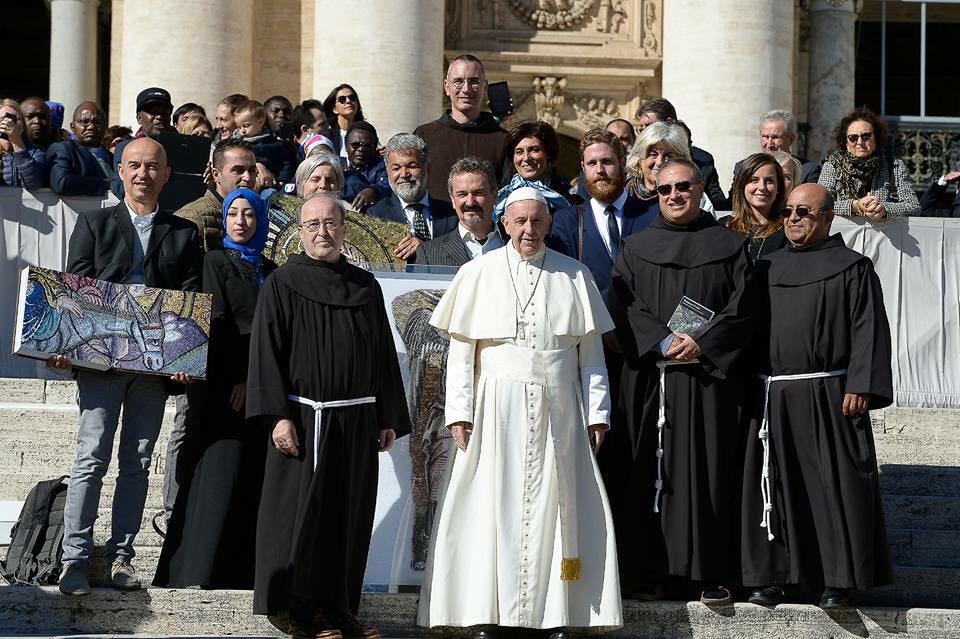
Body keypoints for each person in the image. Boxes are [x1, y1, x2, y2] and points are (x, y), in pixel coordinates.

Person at [418, 187, 622, 638]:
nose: (528, 230)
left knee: (558, 508)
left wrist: (598, 413)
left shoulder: (575, 276)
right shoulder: (477, 273)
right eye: (519, 221)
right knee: (491, 505)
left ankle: (558, 612)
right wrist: (460, 411)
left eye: (536, 221)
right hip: (495, 407)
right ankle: (488, 612)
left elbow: (591, 357)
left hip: (560, 406)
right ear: (504, 224)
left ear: (549, 223)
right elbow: (461, 353)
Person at [246, 192, 410, 639]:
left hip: (357, 420)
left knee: (349, 517)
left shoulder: (365, 285)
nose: (323, 231)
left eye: (331, 223)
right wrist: (277, 417)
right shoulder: (282, 282)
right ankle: (302, 612)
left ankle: (341, 607)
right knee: (306, 521)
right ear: (301, 232)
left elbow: (381, 354)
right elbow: (267, 353)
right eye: (313, 223)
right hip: (306, 419)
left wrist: (387, 414)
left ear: (344, 228)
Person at [50, 137, 203, 596]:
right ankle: (73, 561)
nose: (143, 174)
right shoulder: (93, 223)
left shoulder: (183, 233)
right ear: (119, 171)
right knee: (90, 459)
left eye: (152, 166)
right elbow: (73, 289)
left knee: (136, 464)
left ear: (167, 174)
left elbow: (191, 302)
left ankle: (121, 556)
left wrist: (184, 360)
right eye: (134, 165)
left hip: (152, 373)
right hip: (99, 366)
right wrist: (65, 347)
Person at [607, 158, 757, 605]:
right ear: (655, 193)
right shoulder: (635, 247)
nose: (674, 195)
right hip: (651, 383)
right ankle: (648, 572)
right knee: (648, 475)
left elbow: (745, 306)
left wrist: (704, 342)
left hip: (711, 385)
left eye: (683, 186)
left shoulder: (730, 246)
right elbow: (622, 306)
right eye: (665, 188)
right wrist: (663, 340)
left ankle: (710, 573)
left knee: (712, 473)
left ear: (700, 187)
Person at [741, 183, 893, 609]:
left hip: (830, 394)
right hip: (773, 396)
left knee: (833, 490)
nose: (792, 219)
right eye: (788, 211)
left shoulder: (852, 267)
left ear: (827, 217)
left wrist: (861, 383)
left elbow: (868, 328)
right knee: (774, 487)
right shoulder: (765, 268)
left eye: (804, 212)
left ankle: (836, 582)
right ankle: (775, 578)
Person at [153, 187, 276, 589]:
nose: (241, 222)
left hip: (261, 390)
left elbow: (276, 332)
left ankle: (240, 573)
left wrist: (259, 381)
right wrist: (240, 377)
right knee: (218, 474)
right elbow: (217, 322)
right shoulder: (215, 261)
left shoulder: (273, 270)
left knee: (250, 479)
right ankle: (196, 571)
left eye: (249, 215)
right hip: (225, 389)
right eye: (233, 214)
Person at [552, 127, 659, 300]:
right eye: (592, 163)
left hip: (646, 323)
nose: (599, 170)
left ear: (622, 163)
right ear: (583, 167)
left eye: (607, 161)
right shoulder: (566, 222)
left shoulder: (653, 214)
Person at [414, 54, 508, 203]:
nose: (466, 89)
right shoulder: (424, 135)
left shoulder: (502, 139)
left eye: (474, 82)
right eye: (458, 81)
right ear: (446, 87)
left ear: (485, 87)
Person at [367, 133, 457, 261]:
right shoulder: (376, 215)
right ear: (388, 172)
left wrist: (427, 249)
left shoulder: (451, 214)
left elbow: (459, 258)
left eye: (412, 166)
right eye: (396, 168)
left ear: (428, 168)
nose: (404, 174)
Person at [818, 106, 920, 218]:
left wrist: (884, 209)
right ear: (846, 143)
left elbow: (914, 206)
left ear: (876, 140)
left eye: (866, 136)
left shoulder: (895, 166)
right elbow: (821, 205)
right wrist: (855, 206)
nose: (860, 142)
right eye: (853, 138)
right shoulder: (832, 165)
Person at [417, 157, 505, 269]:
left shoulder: (514, 243)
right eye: (462, 194)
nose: (470, 202)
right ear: (453, 200)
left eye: (478, 193)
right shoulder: (429, 254)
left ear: (494, 196)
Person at [175, 139, 259, 253]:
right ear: (216, 175)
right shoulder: (192, 218)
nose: (248, 177)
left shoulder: (258, 215)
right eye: (238, 170)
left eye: (252, 170)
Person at [493, 120, 574, 219]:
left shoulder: (568, 198)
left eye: (534, 150)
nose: (526, 158)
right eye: (519, 152)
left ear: (548, 153)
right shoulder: (500, 198)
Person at [720, 153, 787, 262]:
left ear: (778, 188)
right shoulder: (724, 227)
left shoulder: (787, 230)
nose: (761, 187)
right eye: (753, 180)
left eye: (769, 181)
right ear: (742, 186)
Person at [110, 87, 175, 198]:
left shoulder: (183, 148)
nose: (159, 117)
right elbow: (119, 188)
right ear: (139, 118)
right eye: (153, 112)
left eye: (164, 113)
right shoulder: (125, 148)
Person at [731, 110, 820, 188]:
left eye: (775, 137)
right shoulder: (743, 167)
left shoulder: (808, 170)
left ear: (791, 139)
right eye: (765, 137)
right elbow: (734, 201)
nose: (769, 144)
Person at [46, 101, 113, 195]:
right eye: (85, 122)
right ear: (72, 127)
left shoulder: (113, 157)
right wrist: (107, 184)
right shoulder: (62, 149)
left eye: (97, 122)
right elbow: (61, 183)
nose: (91, 127)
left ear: (105, 127)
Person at [234, 100, 293, 186]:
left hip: (269, 183)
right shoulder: (237, 144)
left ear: (260, 122)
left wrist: (283, 179)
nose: (242, 130)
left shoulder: (274, 144)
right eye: (239, 127)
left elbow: (286, 162)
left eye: (246, 126)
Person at [342, 121, 391, 210]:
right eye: (355, 145)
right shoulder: (337, 164)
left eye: (367, 146)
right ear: (346, 145)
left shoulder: (383, 166)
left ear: (375, 147)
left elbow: (386, 185)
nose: (361, 149)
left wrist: (374, 191)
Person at [0, 99, 47, 189]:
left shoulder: (36, 152)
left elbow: (34, 184)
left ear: (23, 126)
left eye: (16, 118)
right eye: (5, 118)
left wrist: (17, 143)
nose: (10, 122)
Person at [322, 83, 366, 158]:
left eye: (352, 97)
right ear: (335, 109)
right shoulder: (327, 136)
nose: (348, 101)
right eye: (342, 99)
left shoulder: (366, 132)